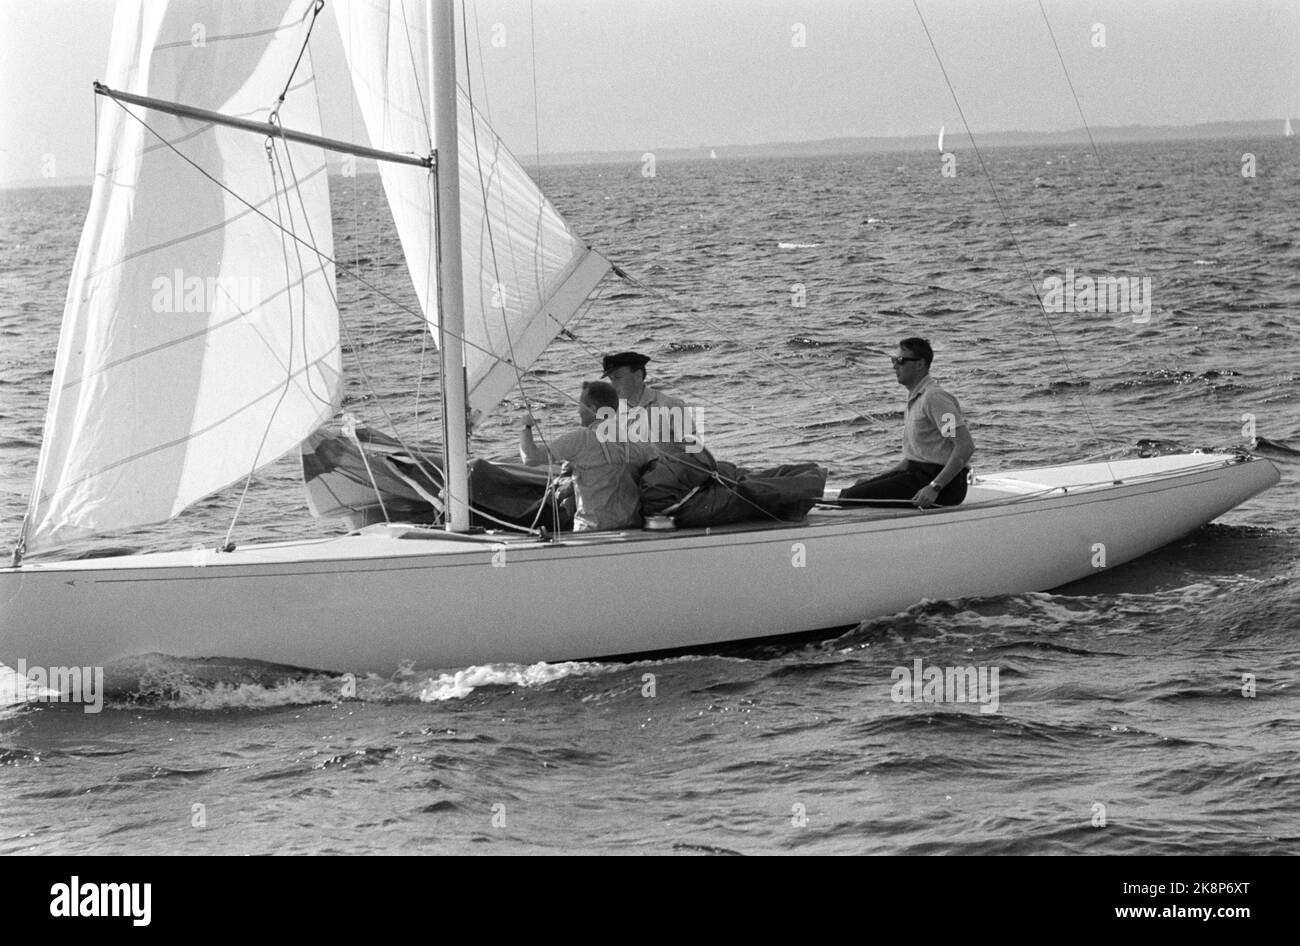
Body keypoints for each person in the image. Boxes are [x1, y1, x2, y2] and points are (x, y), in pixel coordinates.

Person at [840, 337, 974, 509]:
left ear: (920, 364)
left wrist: (934, 487)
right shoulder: (915, 398)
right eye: (893, 360)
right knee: (853, 490)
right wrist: (873, 481)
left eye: (900, 361)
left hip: (944, 486)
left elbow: (964, 446)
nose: (895, 366)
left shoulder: (935, 399)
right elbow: (912, 459)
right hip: (917, 473)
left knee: (850, 498)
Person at [520, 380, 661, 531]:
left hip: (592, 532)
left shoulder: (582, 438)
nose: (578, 411)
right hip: (633, 529)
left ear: (593, 409)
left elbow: (530, 458)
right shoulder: (637, 440)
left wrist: (525, 426)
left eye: (580, 405)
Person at [601, 351, 693, 453]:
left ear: (638, 376)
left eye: (618, 378)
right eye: (611, 379)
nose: (613, 385)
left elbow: (694, 451)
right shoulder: (611, 414)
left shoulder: (671, 405)